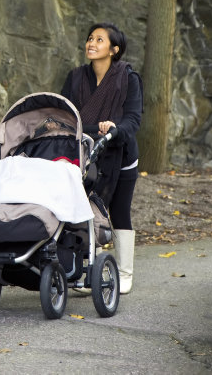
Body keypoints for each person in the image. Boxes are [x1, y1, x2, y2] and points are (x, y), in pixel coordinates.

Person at [61, 22, 143, 294]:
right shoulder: (75, 78)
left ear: (114, 49)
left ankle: (125, 273)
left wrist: (116, 128)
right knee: (81, 213)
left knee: (119, 213)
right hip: (83, 154)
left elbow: (133, 118)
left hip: (119, 155)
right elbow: (64, 113)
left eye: (99, 40)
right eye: (89, 39)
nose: (91, 43)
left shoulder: (128, 78)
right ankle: (86, 273)